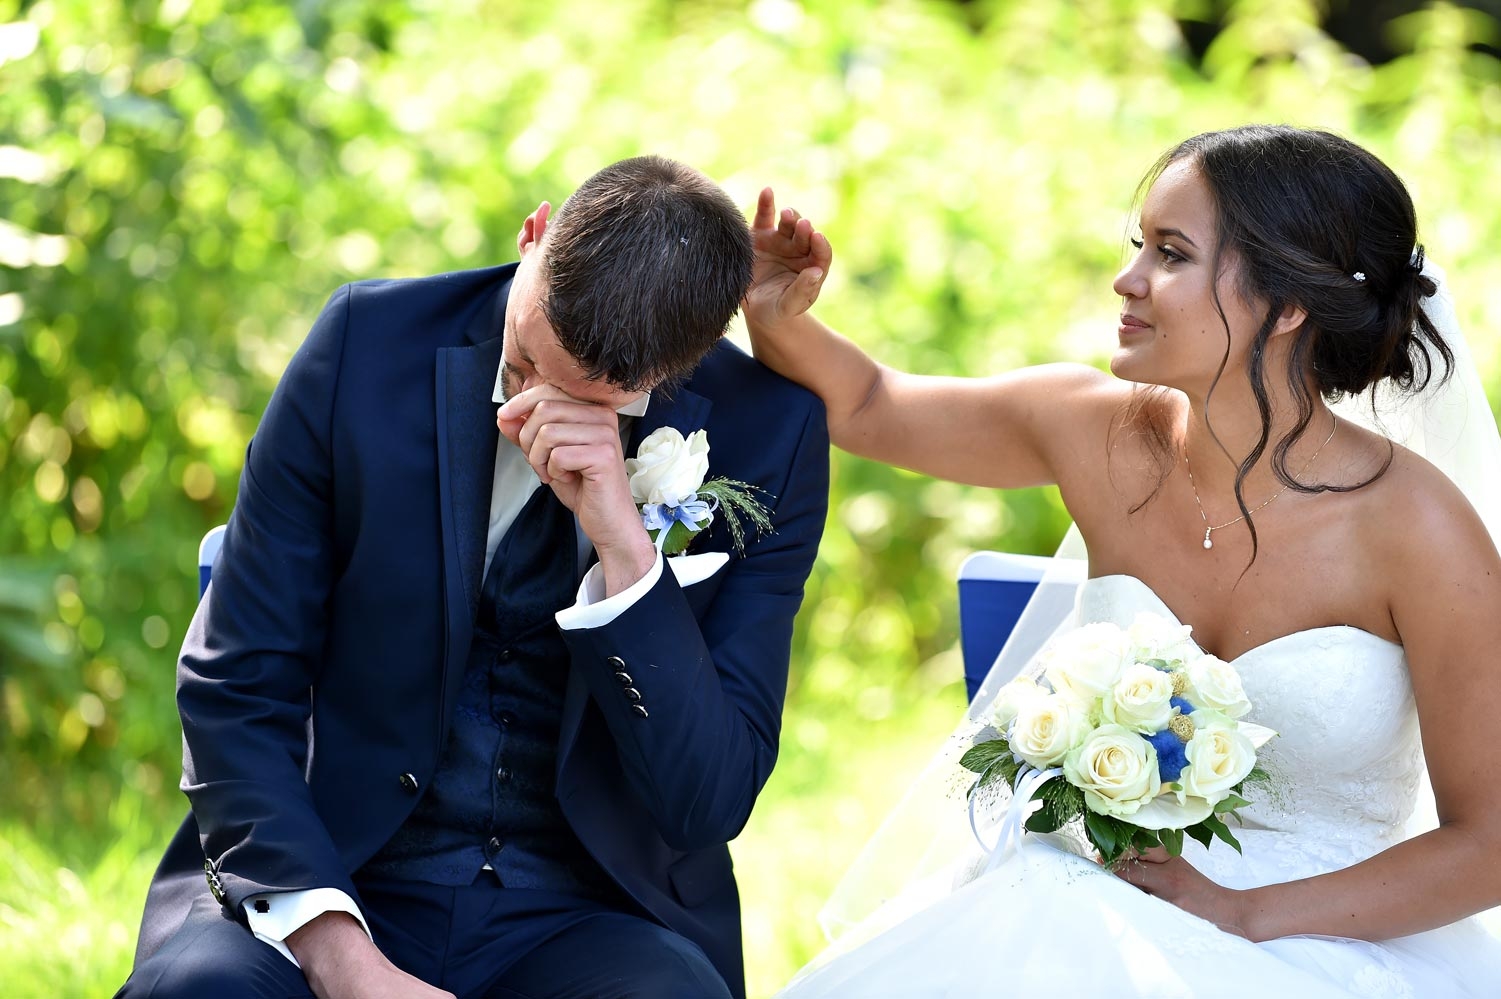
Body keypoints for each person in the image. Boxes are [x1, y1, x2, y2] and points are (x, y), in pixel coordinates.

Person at [745, 125, 1501, 996]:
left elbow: (1488, 842)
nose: (1128, 277)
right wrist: (772, 311)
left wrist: (1246, 914)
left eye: (1171, 253)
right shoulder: (1092, 429)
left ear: (1288, 304)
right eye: (1136, 244)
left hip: (1327, 940)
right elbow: (870, 403)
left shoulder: (1418, 529)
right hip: (1072, 910)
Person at [117, 155, 829, 999]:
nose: (526, 413)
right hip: (334, 869)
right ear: (533, 235)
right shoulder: (363, 348)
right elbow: (235, 683)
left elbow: (705, 803)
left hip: (589, 911)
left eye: (587, 401)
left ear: (673, 368)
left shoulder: (770, 435)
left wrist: (625, 550)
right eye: (526, 363)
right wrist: (347, 964)